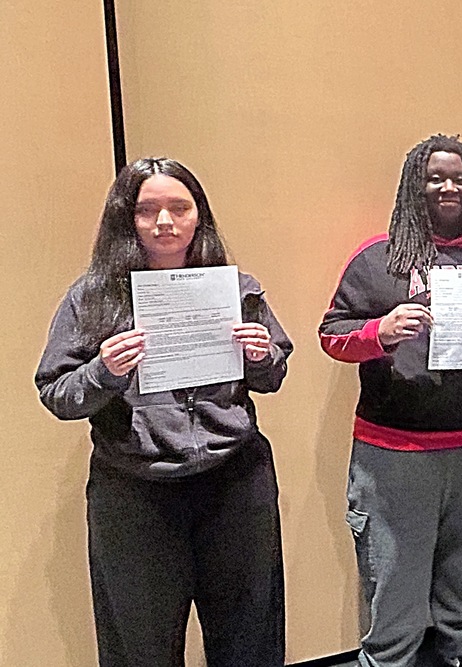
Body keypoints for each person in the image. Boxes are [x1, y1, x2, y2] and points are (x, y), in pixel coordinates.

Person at [35, 158, 292, 667]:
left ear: (200, 216)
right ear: (125, 219)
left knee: (250, 638)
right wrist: (103, 371)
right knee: (140, 647)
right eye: (147, 210)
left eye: (180, 208)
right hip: (136, 493)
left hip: (235, 484)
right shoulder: (93, 297)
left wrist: (263, 357)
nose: (165, 223)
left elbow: (273, 376)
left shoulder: (236, 288)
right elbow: (56, 392)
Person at [318, 135, 462, 667]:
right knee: (393, 566)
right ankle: (389, 657)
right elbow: (332, 334)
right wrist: (381, 331)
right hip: (398, 448)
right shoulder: (378, 259)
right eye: (435, 177)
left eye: (460, 178)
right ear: (413, 187)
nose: (449, 187)